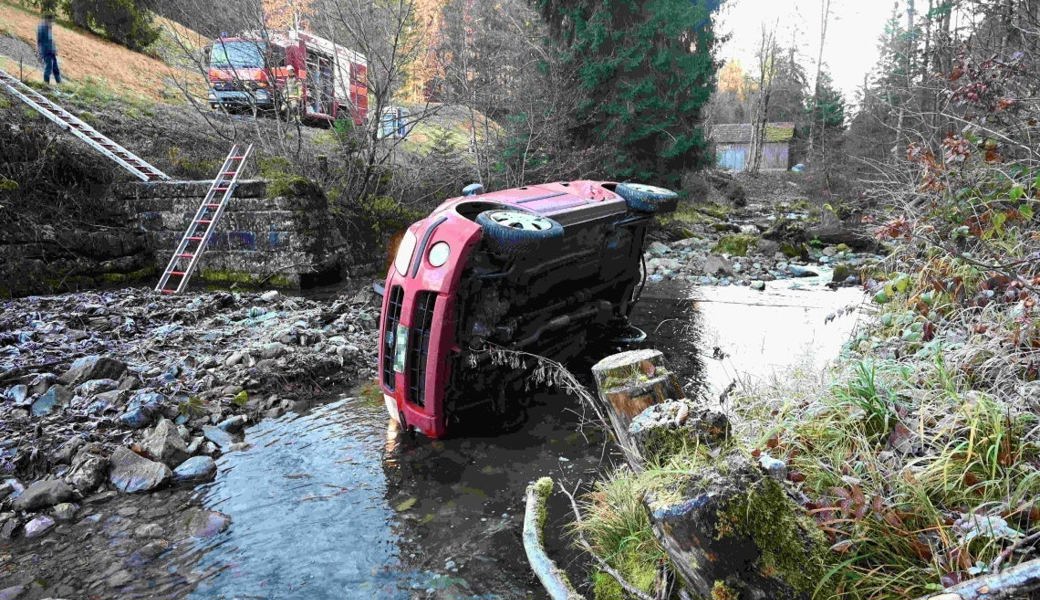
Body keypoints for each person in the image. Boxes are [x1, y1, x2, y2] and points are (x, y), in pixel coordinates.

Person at [36, 13, 61, 85]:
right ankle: (46, 84)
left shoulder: (48, 28)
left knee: (56, 68)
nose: (53, 23)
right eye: (52, 21)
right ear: (48, 20)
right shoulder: (42, 28)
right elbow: (40, 41)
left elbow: (51, 40)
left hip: (51, 52)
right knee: (49, 68)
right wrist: (40, 52)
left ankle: (59, 84)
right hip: (46, 52)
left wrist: (54, 49)